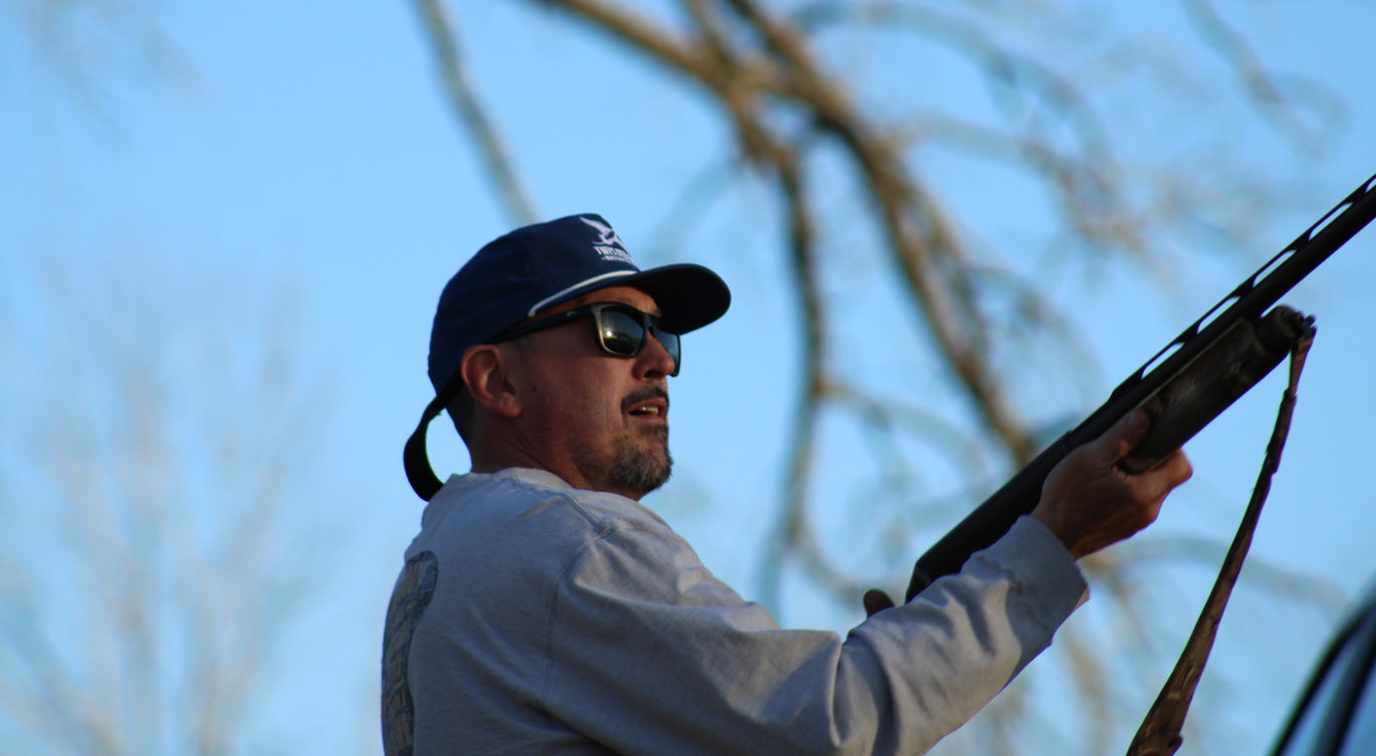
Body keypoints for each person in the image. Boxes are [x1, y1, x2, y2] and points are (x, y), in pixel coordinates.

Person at [381, 213, 1192, 756]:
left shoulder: (455, 555)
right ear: (496, 380)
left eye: (661, 334)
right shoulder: (566, 540)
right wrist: (1049, 547)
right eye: (616, 330)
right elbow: (839, 721)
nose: (659, 358)